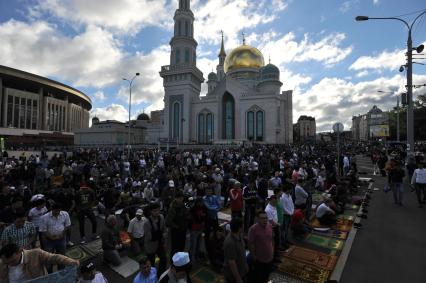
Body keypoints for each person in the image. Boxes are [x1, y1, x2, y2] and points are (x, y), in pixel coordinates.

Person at [0, 243, 79, 282]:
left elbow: (54, 257)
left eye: (13, 261)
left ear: (20, 251)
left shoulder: (35, 254)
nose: (10, 264)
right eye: (7, 263)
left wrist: (71, 261)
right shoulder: (2, 263)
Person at [39, 201, 71, 270]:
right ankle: (49, 272)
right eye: (55, 211)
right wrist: (51, 237)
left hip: (61, 239)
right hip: (49, 240)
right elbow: (43, 230)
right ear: (51, 209)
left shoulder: (65, 214)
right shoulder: (44, 217)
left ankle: (61, 271)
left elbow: (67, 225)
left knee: (62, 256)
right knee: (49, 257)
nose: (57, 212)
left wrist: (62, 233)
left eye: (58, 211)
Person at [248, 211, 274, 283]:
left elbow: (272, 239)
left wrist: (273, 251)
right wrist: (254, 256)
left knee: (266, 275)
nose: (265, 220)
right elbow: (250, 244)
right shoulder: (253, 229)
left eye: (266, 218)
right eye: (262, 218)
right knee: (258, 278)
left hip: (269, 258)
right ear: (257, 219)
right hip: (259, 260)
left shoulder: (270, 226)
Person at [144, 202, 167, 277]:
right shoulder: (147, 222)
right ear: (151, 211)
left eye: (158, 210)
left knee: (164, 259)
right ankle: (152, 278)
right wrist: (161, 234)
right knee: (151, 263)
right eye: (154, 211)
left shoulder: (162, 217)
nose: (157, 212)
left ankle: (160, 275)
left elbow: (164, 229)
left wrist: (164, 234)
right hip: (150, 246)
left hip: (160, 244)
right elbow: (149, 237)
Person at [223, 218, 248, 283]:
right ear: (239, 228)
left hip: (242, 271)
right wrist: (238, 279)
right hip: (233, 277)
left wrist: (245, 266)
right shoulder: (230, 242)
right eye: (242, 225)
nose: (243, 227)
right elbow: (232, 263)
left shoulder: (239, 235)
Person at [165, 191, 188, 257]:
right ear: (175, 198)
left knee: (181, 247)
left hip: (183, 231)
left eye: (181, 198)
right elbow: (168, 222)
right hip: (176, 232)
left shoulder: (184, 205)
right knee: (175, 249)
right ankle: (173, 264)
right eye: (179, 198)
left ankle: (180, 263)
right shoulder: (173, 208)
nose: (180, 199)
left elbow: (186, 215)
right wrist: (177, 227)